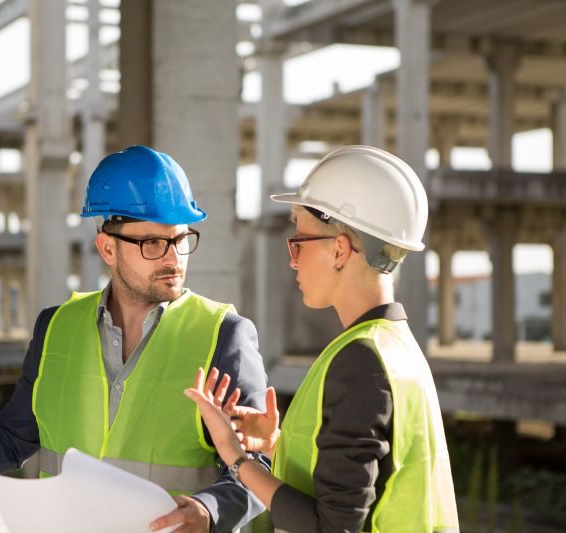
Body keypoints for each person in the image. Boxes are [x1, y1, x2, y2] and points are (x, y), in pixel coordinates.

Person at [0, 145, 269, 533]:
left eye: (181, 239)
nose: (173, 258)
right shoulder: (55, 328)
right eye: (152, 243)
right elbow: (12, 439)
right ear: (108, 248)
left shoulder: (224, 335)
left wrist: (208, 511)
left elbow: (255, 467)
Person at [184, 145, 460, 532]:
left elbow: (332, 526)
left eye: (298, 241)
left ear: (340, 250)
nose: (292, 259)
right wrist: (274, 446)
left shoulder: (361, 362)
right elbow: (359, 486)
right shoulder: (396, 348)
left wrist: (236, 457)